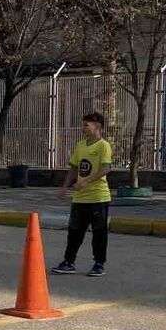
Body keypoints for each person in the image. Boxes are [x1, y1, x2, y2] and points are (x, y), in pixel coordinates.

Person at [52, 112, 112, 277]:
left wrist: (86, 182)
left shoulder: (103, 146)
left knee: (99, 232)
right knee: (74, 231)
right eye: (83, 124)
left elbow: (106, 169)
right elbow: (74, 168)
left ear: (97, 126)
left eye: (87, 125)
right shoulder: (80, 146)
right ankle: (68, 262)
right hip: (80, 197)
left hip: (98, 196)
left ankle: (99, 264)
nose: (83, 128)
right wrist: (65, 187)